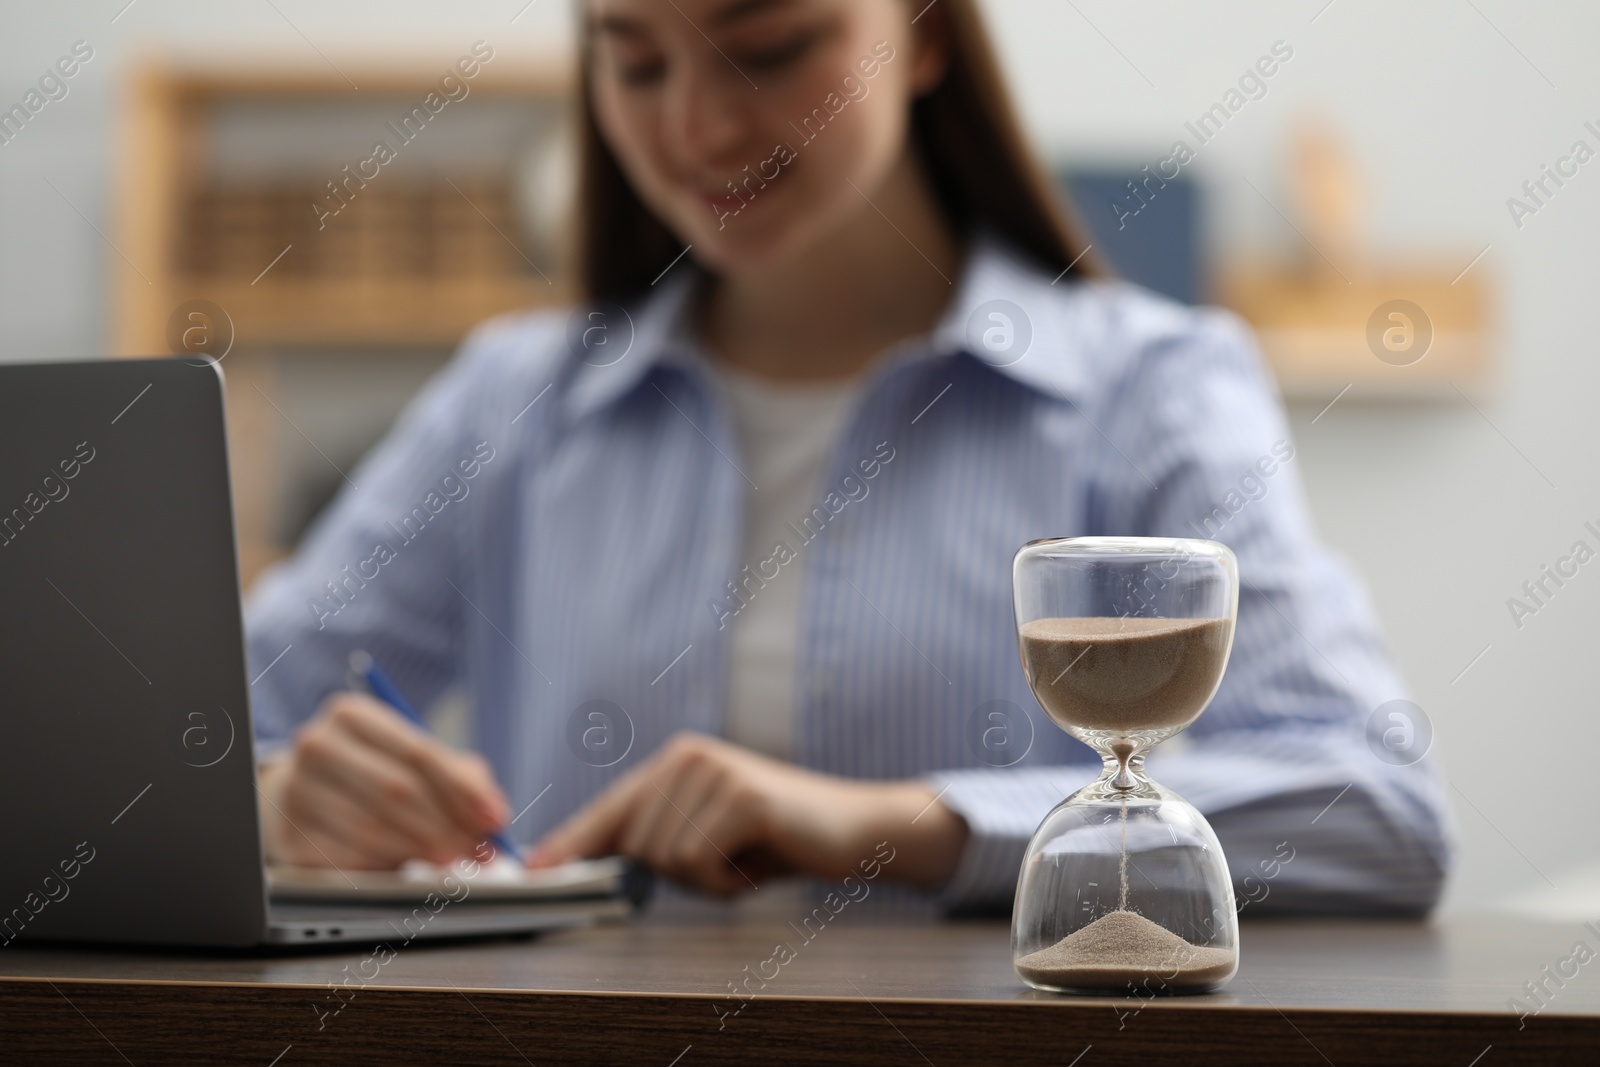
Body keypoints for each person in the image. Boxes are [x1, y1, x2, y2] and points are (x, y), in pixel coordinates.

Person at [246, 0, 1451, 913]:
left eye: (768, 50)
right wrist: (271, 801)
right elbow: (188, 734)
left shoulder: (1147, 389)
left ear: (926, 35)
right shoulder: (511, 399)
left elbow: (1377, 808)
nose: (695, 128)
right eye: (634, 57)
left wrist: (900, 821)